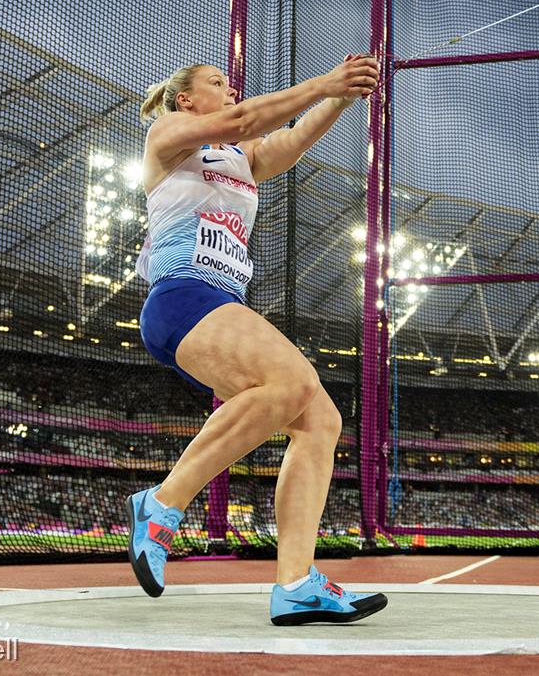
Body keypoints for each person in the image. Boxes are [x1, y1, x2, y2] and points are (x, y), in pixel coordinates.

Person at [127, 56, 388, 626]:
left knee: (320, 421)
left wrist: (341, 99)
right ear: (185, 100)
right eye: (216, 82)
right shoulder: (167, 134)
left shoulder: (240, 158)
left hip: (223, 303)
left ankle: (295, 583)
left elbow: (288, 139)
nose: (230, 87)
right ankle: (162, 504)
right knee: (293, 381)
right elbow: (246, 120)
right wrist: (324, 81)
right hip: (182, 295)